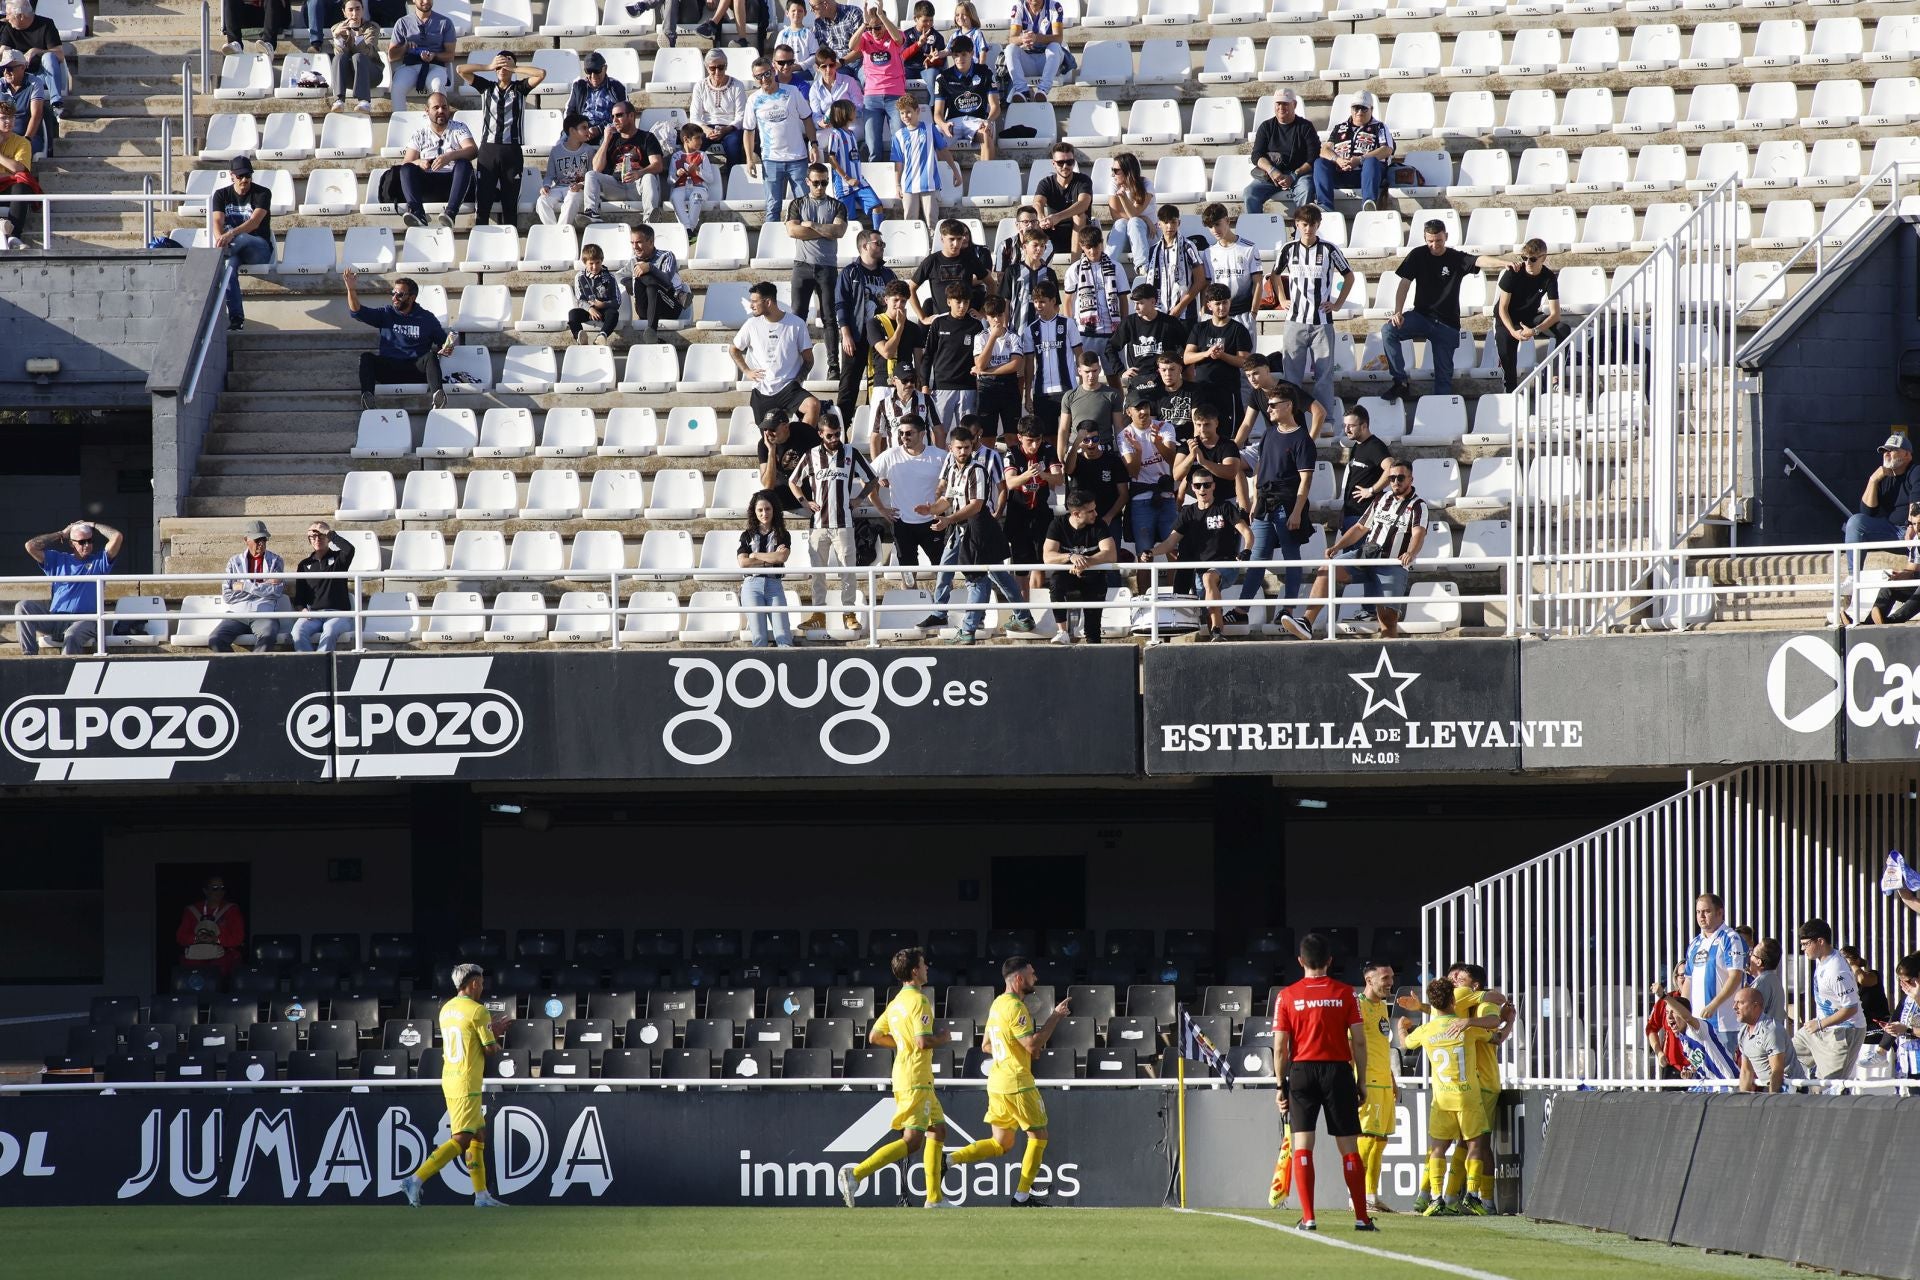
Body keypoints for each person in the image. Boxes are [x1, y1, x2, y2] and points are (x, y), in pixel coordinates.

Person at [945, 955, 1073, 1202]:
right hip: (1017, 1083)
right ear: (1019, 978)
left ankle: (949, 1160)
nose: (1035, 977)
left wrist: (1014, 1049)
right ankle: (1022, 1197)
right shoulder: (1015, 1007)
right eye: (1032, 973)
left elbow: (985, 1046)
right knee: (1039, 1136)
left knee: (1000, 1143)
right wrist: (1055, 1016)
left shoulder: (997, 1005)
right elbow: (1032, 1043)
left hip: (997, 1083)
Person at [1272, 932, 1375, 1233]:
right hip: (1337, 1071)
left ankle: (1309, 1217)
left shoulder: (1286, 996)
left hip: (1302, 1072)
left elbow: (1280, 1047)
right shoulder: (1346, 994)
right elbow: (1359, 1042)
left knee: (1302, 1146)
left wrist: (1281, 1086)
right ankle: (1361, 1217)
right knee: (1349, 1147)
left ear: (1300, 961)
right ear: (1330, 961)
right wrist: (1362, 1082)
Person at [840, 947, 955, 1208]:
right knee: (912, 1141)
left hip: (908, 1075)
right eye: (924, 964)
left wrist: (902, 1045)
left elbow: (874, 1037)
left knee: (938, 1130)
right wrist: (943, 1038)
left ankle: (934, 1199)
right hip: (916, 1078)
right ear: (915, 970)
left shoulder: (895, 1003)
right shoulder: (919, 1001)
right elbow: (923, 1042)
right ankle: (855, 1174)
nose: (927, 968)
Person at [1282, 462, 1426, 640]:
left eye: (1401, 478)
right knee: (1327, 569)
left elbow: (1419, 533)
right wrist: (1337, 547)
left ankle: (1390, 659)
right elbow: (1360, 527)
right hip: (1367, 556)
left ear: (1411, 479)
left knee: (1387, 622)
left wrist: (1411, 552)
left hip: (1392, 564)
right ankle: (1306, 622)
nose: (1396, 481)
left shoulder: (1419, 505)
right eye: (1392, 478)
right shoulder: (1381, 499)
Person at [404, 964, 508, 1208]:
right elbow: (490, 1049)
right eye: (481, 983)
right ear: (472, 984)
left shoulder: (446, 1009)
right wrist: (496, 1033)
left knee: (479, 1133)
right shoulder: (478, 1011)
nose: (483, 988)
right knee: (462, 1138)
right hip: (467, 1080)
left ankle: (481, 1196)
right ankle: (416, 1179)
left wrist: (490, 1032)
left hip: (449, 1076)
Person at [920, 426, 1035, 640]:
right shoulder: (953, 469)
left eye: (966, 447)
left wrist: (947, 519)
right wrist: (932, 509)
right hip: (960, 528)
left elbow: (976, 505)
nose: (963, 451)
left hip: (978, 528)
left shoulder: (977, 470)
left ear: (972, 446)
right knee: (989, 574)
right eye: (959, 448)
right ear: (950, 448)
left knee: (977, 579)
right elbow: (949, 498)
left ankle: (968, 629)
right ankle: (1023, 616)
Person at [1381, 221, 1513, 401]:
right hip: (1421, 316)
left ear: (1446, 237)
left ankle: (1441, 418)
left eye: (1439, 240)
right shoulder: (1418, 254)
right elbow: (1404, 283)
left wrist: (1502, 263)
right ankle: (1400, 382)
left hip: (1447, 325)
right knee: (1389, 330)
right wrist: (1398, 311)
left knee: (1443, 379)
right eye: (1430, 241)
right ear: (1425, 238)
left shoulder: (1455, 258)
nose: (1434, 245)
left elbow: (1478, 260)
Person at [1400, 980, 1497, 1218]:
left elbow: (1405, 1044)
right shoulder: (1466, 1027)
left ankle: (1436, 1198)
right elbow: (1494, 1032)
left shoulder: (1425, 1031)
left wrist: (1402, 1027)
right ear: (1454, 1001)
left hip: (1442, 1099)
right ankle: (1472, 1196)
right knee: (1475, 1146)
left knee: (1437, 1149)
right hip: (1468, 1098)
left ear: (1432, 1004)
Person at [788, 414, 878, 632]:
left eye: (837, 434)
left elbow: (872, 478)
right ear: (820, 434)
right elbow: (793, 481)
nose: (834, 438)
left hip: (844, 523)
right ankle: (819, 613)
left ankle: (849, 613)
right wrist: (805, 501)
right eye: (829, 435)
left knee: (848, 571)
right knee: (818, 572)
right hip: (818, 525)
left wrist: (859, 498)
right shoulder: (811, 455)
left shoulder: (850, 453)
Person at [1235, 387, 1315, 625]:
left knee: (1291, 558)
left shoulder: (1303, 439)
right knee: (1257, 559)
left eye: (1273, 404)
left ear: (1288, 405)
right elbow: (1260, 467)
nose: (1267, 409)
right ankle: (1240, 611)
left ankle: (1288, 610)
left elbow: (1306, 479)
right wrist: (1255, 499)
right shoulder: (1269, 433)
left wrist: (1297, 511)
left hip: (1287, 504)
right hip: (1264, 505)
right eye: (1267, 405)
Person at [1274, 204, 1354, 436]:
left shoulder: (1329, 249)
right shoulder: (1288, 249)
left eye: (1312, 224)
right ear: (1297, 225)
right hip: (1295, 321)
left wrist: (1337, 304)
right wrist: (1281, 297)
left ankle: (1326, 420)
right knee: (1292, 377)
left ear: (1318, 225)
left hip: (1322, 322)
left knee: (1324, 375)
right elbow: (1275, 274)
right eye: (1304, 224)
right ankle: (1294, 420)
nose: (1308, 228)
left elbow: (1349, 276)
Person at [1150, 465, 1248, 640]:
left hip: (1226, 565)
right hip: (1200, 570)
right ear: (1192, 488)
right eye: (1198, 486)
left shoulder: (1225, 507)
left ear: (1214, 486)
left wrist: (1246, 550)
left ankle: (1218, 631)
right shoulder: (1188, 512)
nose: (1203, 489)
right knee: (1208, 605)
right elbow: (1170, 542)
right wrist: (1151, 552)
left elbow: (1248, 533)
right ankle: (1216, 637)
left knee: (1209, 578)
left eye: (1207, 485)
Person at [454, 52, 542, 229]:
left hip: (512, 152)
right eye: (500, 66)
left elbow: (541, 74)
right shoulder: (486, 86)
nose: (503, 69)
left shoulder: (520, 88)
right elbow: (460, 69)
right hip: (488, 151)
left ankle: (512, 247)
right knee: (483, 205)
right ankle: (480, 248)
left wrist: (515, 68)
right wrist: (487, 66)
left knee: (510, 206)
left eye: (507, 65)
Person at [345, 269, 448, 410]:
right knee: (366, 358)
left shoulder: (427, 318)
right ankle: (368, 399)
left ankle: (438, 398)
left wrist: (449, 345)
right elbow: (357, 311)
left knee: (431, 356)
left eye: (400, 294)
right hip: (390, 370)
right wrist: (351, 289)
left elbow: (444, 343)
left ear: (412, 298)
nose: (394, 297)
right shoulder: (386, 313)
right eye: (393, 293)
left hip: (416, 370)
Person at [15, 519, 120, 656]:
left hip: (85, 620)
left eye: (90, 541)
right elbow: (30, 546)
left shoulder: (99, 562)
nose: (87, 545)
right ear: (71, 543)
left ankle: (65, 668)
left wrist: (92, 525)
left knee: (71, 635)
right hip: (56, 618)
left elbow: (117, 537)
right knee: (23, 607)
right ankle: (29, 657)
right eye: (82, 542)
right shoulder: (57, 560)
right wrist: (61, 533)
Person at [787, 162, 848, 377]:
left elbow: (839, 230)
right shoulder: (797, 203)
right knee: (798, 316)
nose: (820, 187)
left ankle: (833, 365)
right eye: (816, 183)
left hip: (827, 267)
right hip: (802, 266)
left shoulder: (837, 205)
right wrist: (825, 231)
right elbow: (793, 231)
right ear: (807, 182)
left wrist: (811, 225)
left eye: (824, 183)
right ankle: (796, 363)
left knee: (830, 317)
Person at [732, 281, 820, 427]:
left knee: (813, 405)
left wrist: (797, 381)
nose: (751, 305)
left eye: (754, 301)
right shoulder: (751, 324)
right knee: (769, 438)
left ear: (768, 302)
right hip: (762, 389)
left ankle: (798, 448)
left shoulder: (796, 324)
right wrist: (747, 371)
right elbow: (733, 349)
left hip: (789, 388)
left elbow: (809, 360)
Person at [744, 56, 816, 226]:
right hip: (771, 159)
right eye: (758, 76)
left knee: (804, 206)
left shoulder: (791, 91)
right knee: (773, 207)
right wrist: (749, 159)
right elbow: (748, 131)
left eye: (767, 73)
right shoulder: (753, 100)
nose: (764, 79)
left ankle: (807, 244)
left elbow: (807, 118)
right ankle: (771, 248)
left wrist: (813, 144)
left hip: (797, 158)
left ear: (773, 71)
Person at [1042, 487, 1119, 644]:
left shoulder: (1099, 524)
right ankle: (1062, 631)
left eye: (1094, 509)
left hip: (1093, 576)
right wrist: (1071, 556)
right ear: (1076, 514)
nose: (1095, 514)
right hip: (1067, 574)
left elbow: (1111, 554)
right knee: (1056, 583)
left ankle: (1094, 655)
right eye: (1090, 511)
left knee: (1093, 631)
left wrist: (1084, 562)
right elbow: (1047, 556)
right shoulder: (1058, 524)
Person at [1492, 239, 1571, 392]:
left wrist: (1535, 330)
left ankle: (1554, 376)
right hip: (1506, 318)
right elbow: (1503, 308)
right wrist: (1513, 331)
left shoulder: (1549, 277)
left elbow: (1555, 315)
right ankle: (1511, 390)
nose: (1528, 262)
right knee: (1506, 344)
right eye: (1524, 258)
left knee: (1563, 329)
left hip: (1529, 317)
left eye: (1533, 259)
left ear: (1543, 258)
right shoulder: (1513, 273)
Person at [872, 414, 945, 578]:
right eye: (901, 433)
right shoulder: (890, 455)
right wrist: (881, 509)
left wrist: (942, 506)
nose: (904, 437)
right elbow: (867, 479)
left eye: (909, 433)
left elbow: (955, 483)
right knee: (908, 574)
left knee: (943, 571)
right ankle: (912, 600)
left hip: (933, 522)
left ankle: (943, 603)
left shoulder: (940, 456)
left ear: (922, 434)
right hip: (901, 523)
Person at [1794, 918, 1866, 1081]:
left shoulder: (1837, 970)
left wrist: (1819, 1024)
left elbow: (1851, 1008)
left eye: (1806, 944)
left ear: (1820, 941)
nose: (1802, 949)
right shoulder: (1822, 961)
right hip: (1821, 1028)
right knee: (1783, 1054)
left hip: (1844, 1032)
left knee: (1828, 1088)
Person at [836, 229, 896, 424]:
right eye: (878, 243)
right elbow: (841, 304)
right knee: (848, 387)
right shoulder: (850, 272)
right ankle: (841, 431)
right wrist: (846, 334)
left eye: (882, 244)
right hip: (857, 336)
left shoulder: (888, 274)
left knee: (880, 387)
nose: (882, 247)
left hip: (882, 339)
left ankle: (878, 430)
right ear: (864, 246)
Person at [1354, 961, 1400, 1215]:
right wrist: (1354, 1080)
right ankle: (1356, 1196)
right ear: (1369, 980)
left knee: (1380, 1141)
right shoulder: (1357, 1006)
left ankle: (1371, 1195)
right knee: (1367, 1139)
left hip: (1384, 1081)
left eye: (1391, 977)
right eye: (1385, 978)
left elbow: (1381, 1045)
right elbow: (1351, 1046)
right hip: (1367, 1081)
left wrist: (1393, 1079)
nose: (1390, 982)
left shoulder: (1382, 1005)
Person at [211, 155, 272, 333]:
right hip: (233, 250)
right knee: (229, 269)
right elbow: (216, 222)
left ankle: (213, 261)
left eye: (248, 176)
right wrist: (220, 239)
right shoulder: (221, 194)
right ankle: (236, 319)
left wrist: (230, 234)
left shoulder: (263, 193)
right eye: (240, 176)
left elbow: (254, 222)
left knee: (243, 237)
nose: (244, 180)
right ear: (231, 176)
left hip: (258, 249)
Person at [397, 92, 476, 229]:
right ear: (427, 111)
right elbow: (406, 162)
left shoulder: (459, 128)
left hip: (453, 183)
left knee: (464, 164)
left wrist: (450, 156)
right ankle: (417, 213)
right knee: (407, 169)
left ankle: (450, 213)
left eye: (445, 107)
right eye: (436, 107)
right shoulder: (420, 134)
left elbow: (473, 150)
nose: (441, 111)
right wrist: (419, 162)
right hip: (429, 184)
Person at [208, 519, 289, 653]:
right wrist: (264, 584)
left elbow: (277, 591)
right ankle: (238, 669)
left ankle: (253, 670)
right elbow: (227, 595)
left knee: (268, 636)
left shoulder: (275, 561)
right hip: (237, 614)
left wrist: (245, 586)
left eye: (264, 539)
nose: (261, 543)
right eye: (257, 540)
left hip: (264, 613)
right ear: (246, 540)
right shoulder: (234, 562)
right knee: (215, 639)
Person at [1002, 415, 1061, 591]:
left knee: (1040, 561)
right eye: (1030, 441)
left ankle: (1034, 606)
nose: (1035, 445)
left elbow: (1059, 478)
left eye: (1038, 440)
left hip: (1040, 511)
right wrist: (1029, 475)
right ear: (1020, 438)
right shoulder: (1012, 453)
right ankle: (1024, 612)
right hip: (1018, 512)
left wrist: (1043, 475)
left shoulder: (1048, 449)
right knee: (1021, 564)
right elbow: (1011, 483)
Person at [1846, 433, 1920, 574]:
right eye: (1885, 451)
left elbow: (1917, 502)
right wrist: (1873, 480)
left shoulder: (1916, 471)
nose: (1886, 454)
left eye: (1892, 450)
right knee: (1855, 522)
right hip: (1892, 531)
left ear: (1907, 455)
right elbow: (1867, 512)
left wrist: (1912, 526)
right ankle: (1853, 577)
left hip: (1914, 531)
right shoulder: (1883, 476)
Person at [1183, 283, 1253, 429]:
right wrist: (1207, 353)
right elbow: (1187, 358)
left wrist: (1223, 356)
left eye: (1225, 302)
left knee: (1230, 435)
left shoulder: (1238, 330)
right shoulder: (1200, 328)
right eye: (1218, 304)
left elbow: (1245, 361)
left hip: (1228, 391)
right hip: (1203, 390)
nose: (1222, 307)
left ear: (1230, 303)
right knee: (1203, 433)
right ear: (1209, 305)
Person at [1063, 223, 1128, 378]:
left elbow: (1123, 299)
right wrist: (1070, 326)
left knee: (1115, 376)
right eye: (1088, 247)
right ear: (1081, 246)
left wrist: (1124, 325)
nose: (1093, 251)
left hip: (1111, 332)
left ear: (1102, 243)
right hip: (1085, 332)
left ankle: (1118, 402)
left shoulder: (1116, 266)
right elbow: (1067, 300)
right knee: (1084, 376)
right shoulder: (1075, 268)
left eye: (1096, 245)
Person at [1120, 390, 1178, 557]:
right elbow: (1133, 472)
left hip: (1166, 495)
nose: (1144, 411)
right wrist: (1138, 451)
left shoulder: (1164, 426)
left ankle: (1174, 585)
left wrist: (1158, 444)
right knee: (1144, 554)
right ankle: (1144, 585)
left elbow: (1173, 461)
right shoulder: (1124, 435)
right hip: (1141, 499)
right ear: (1128, 412)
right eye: (1138, 408)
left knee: (1173, 550)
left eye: (1145, 406)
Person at [921, 281, 985, 432]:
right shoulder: (938, 323)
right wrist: (925, 385)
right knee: (939, 433)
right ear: (949, 301)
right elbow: (928, 355)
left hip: (968, 388)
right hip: (943, 388)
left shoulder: (976, 325)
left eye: (966, 302)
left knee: (968, 434)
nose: (962, 306)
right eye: (958, 302)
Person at [1313, 91, 1392, 212]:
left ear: (1371, 109)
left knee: (1371, 161)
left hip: (1366, 174)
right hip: (1341, 172)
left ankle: (1369, 203)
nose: (1359, 112)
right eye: (1356, 108)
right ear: (1351, 109)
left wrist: (1360, 160)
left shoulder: (1379, 127)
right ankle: (1325, 205)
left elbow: (1386, 149)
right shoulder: (1339, 127)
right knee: (1320, 163)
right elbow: (1325, 149)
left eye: (1364, 109)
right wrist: (1337, 159)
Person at [1020, 281, 1079, 441]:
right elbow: (1029, 364)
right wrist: (1028, 396)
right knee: (1047, 438)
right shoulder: (1030, 330)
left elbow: (1080, 355)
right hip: (1042, 392)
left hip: (1068, 389)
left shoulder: (1068, 324)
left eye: (1042, 301)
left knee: (1073, 435)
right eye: (1036, 301)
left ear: (1053, 301)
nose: (1038, 305)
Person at [1246, 89, 1318, 216]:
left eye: (1285, 104)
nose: (1281, 107)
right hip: (1271, 176)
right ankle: (1257, 229)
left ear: (1294, 105)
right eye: (1278, 103)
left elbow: (1313, 157)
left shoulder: (1306, 127)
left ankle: (1301, 230)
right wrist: (1272, 170)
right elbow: (1256, 156)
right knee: (1250, 193)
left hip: (1299, 174)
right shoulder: (1266, 127)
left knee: (1306, 190)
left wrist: (1294, 175)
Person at [1685, 892, 1749, 1037]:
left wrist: (1713, 1005)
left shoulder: (1731, 938)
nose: (1701, 916)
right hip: (1698, 1024)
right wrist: (1682, 1011)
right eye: (1698, 912)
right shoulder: (1695, 943)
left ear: (1720, 913)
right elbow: (1688, 980)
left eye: (1706, 911)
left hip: (1724, 1025)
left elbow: (1735, 976)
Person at [586, 101, 663, 220]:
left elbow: (658, 165)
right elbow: (597, 168)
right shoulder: (611, 139)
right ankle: (591, 213)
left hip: (637, 187)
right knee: (591, 174)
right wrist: (606, 140)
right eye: (613, 116)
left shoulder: (647, 137)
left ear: (631, 116)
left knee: (649, 177)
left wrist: (639, 173)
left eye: (619, 115)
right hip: (615, 186)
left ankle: (650, 217)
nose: (614, 120)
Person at [738, 493, 795, 647]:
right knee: (759, 638)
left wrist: (755, 555)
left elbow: (781, 558)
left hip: (774, 584)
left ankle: (787, 669)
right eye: (760, 510)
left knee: (784, 636)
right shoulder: (746, 535)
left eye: (768, 509)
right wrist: (770, 558)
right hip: (751, 585)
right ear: (754, 512)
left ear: (774, 510)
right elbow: (743, 563)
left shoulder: (783, 534)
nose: (764, 514)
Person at [1112, 282, 1187, 398]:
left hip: (1164, 381)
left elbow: (1187, 349)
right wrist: (1121, 371)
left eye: (1140, 303)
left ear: (1153, 302)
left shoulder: (1170, 323)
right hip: (1138, 381)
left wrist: (1177, 370)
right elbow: (1110, 348)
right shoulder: (1129, 323)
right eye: (1135, 303)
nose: (1136, 308)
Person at [291, 521, 358, 652]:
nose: (317, 539)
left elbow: (349, 549)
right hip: (313, 615)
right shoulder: (304, 565)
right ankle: (310, 666)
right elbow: (299, 597)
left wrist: (328, 532)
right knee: (297, 632)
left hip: (338, 614)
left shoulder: (339, 558)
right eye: (313, 537)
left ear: (327, 538)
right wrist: (302, 610)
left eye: (321, 536)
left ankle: (321, 666)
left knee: (329, 630)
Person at [892, 91, 956, 227]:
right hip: (908, 185)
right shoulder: (898, 136)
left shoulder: (929, 128)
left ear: (917, 111)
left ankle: (933, 247)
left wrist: (955, 172)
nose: (905, 116)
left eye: (908, 112)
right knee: (910, 222)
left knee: (932, 222)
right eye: (902, 113)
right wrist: (897, 185)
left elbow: (943, 151)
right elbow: (898, 163)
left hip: (929, 183)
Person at [911, 219, 994, 321]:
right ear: (942, 238)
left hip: (966, 321)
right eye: (952, 239)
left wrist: (982, 311)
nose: (956, 244)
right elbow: (911, 288)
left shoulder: (970, 259)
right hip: (941, 323)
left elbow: (991, 284)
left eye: (959, 239)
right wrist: (923, 317)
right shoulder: (931, 261)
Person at [853, 3, 906, 161]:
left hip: (895, 96)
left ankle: (899, 179)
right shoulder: (865, 37)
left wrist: (882, 15)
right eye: (871, 28)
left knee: (899, 142)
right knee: (873, 146)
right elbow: (852, 46)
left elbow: (898, 39)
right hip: (872, 97)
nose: (874, 32)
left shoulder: (895, 35)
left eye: (878, 28)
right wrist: (864, 25)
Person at [932, 36, 997, 162]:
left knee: (986, 133)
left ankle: (986, 177)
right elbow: (937, 114)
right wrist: (943, 124)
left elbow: (995, 106)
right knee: (933, 137)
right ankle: (946, 177)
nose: (959, 59)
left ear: (972, 53)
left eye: (963, 54)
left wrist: (989, 120)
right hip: (953, 123)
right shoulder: (943, 77)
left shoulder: (985, 72)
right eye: (956, 55)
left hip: (977, 121)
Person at [385, 0, 457, 113]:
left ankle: (440, 122)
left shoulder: (445, 22)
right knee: (397, 87)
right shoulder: (402, 22)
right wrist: (405, 47)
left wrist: (434, 55)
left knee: (437, 85)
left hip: (435, 66)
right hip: (410, 66)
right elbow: (391, 56)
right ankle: (400, 125)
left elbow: (450, 55)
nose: (426, 1)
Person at [820, 99, 880, 230]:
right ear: (844, 113)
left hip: (859, 181)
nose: (855, 112)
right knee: (849, 220)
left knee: (877, 206)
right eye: (852, 110)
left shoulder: (852, 134)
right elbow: (831, 158)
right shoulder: (835, 135)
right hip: (844, 184)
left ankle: (878, 234)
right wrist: (847, 178)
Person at [628, 221, 692, 341]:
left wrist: (650, 267)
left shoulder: (667, 256)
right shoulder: (632, 260)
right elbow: (617, 277)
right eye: (632, 243)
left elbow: (667, 279)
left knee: (652, 286)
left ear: (651, 242)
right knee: (640, 276)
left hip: (669, 306)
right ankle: (679, 295)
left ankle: (651, 331)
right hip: (644, 309)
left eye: (639, 242)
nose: (634, 246)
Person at [1144, 204, 1207, 325]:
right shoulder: (1153, 250)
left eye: (1173, 222)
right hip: (1160, 314)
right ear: (1159, 224)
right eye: (1166, 222)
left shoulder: (1187, 247)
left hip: (1185, 315)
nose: (1170, 226)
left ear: (1179, 223)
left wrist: (1180, 307)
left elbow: (1200, 281)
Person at [1203, 205, 1261, 337]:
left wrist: (1253, 313)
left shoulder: (1249, 248)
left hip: (1243, 314)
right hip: (1218, 315)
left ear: (1227, 221)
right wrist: (1203, 312)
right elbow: (1206, 286)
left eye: (1217, 224)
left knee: (1246, 357)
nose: (1214, 230)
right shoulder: (1209, 253)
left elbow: (1258, 283)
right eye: (1210, 226)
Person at [1063, 419, 1128, 535]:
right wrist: (1076, 442)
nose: (1091, 443)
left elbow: (1124, 495)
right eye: (1086, 440)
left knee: (1112, 553)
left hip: (1109, 520)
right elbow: (1068, 469)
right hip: (1082, 520)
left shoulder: (1113, 461)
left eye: (1095, 439)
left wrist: (1109, 517)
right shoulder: (1075, 459)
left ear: (1100, 439)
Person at [175, 875, 247, 979]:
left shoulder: (232, 910)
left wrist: (216, 939)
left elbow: (238, 938)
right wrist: (197, 939)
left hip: (223, 962)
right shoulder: (191, 910)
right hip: (195, 961)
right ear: (205, 891)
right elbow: (180, 937)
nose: (219, 891)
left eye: (222, 888)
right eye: (214, 888)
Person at [2, 0, 69, 111]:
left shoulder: (46, 24)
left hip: (41, 76)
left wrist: (35, 51)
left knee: (49, 57)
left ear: (21, 16)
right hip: (16, 76)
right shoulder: (9, 27)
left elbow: (60, 55)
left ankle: (56, 104)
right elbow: (3, 51)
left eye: (9, 14)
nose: (7, 18)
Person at [973, 295, 1024, 441]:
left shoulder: (1013, 337)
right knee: (987, 436)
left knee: (1013, 436)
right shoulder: (981, 337)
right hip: (987, 388)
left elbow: (1015, 365)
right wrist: (993, 337)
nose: (996, 319)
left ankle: (1013, 463)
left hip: (1009, 387)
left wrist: (986, 371)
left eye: (999, 315)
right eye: (992, 316)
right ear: (986, 316)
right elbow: (980, 364)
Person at [1337, 402, 1393, 532]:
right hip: (1351, 513)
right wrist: (1344, 510)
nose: (1346, 430)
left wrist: (1372, 490)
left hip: (1364, 516)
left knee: (1357, 553)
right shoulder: (1357, 445)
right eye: (1345, 426)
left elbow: (1391, 468)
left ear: (1364, 426)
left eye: (1351, 426)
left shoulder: (1375, 446)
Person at [534, 112, 595, 228]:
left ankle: (560, 233)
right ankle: (554, 231)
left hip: (578, 190)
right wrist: (546, 186)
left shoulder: (589, 150)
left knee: (572, 198)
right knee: (542, 201)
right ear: (572, 131)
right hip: (558, 188)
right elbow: (549, 175)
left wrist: (581, 185)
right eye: (584, 128)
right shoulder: (556, 151)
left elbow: (592, 175)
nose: (588, 131)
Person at [691, 48, 749, 168]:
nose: (717, 72)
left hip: (730, 127)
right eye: (712, 68)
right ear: (707, 68)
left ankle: (734, 179)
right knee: (694, 142)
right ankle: (694, 178)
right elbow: (694, 117)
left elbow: (741, 116)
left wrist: (726, 130)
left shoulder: (737, 85)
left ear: (726, 66)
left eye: (721, 67)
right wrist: (706, 130)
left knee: (733, 143)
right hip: (707, 127)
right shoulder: (700, 86)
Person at [1005, 0, 1072, 103]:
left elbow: (1059, 38)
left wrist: (1037, 38)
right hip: (1028, 60)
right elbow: (1012, 39)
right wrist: (1022, 39)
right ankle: (1022, 91)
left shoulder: (1055, 6)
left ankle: (1043, 90)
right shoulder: (1018, 7)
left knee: (1055, 46)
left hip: (1049, 62)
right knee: (1010, 49)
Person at [1058, 348, 1121, 457]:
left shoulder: (1112, 395)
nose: (1091, 376)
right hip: (1077, 450)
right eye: (1087, 372)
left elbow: (1119, 428)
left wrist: (1123, 454)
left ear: (1100, 369)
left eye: (1094, 371)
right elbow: (1063, 429)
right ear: (1079, 371)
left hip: (1104, 449)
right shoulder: (1069, 396)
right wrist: (1061, 455)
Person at [1035, 144, 1092, 258]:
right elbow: (1038, 202)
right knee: (1031, 221)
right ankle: (1037, 268)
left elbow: (1083, 204)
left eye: (1069, 162)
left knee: (1079, 216)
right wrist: (1041, 217)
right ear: (1054, 164)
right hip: (1053, 231)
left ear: (1074, 162)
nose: (1065, 166)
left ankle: (1074, 265)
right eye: (1060, 162)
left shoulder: (1083, 180)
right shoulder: (1045, 183)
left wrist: (1057, 217)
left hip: (1081, 232)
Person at [1734, 986, 1794, 1094]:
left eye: (1740, 1003)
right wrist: (1742, 1101)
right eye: (1735, 1002)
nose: (1735, 1007)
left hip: (1789, 1091)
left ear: (1755, 1006)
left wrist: (1771, 1102)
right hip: (1770, 1090)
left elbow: (1777, 1071)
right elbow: (1746, 1071)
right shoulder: (1743, 1033)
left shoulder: (1771, 1030)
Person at [758, 412, 820, 514]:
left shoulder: (804, 432)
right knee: (764, 499)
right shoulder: (764, 444)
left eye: (772, 429)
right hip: (785, 491)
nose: (768, 433)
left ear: (786, 427)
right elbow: (768, 485)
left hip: (809, 488)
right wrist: (771, 451)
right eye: (765, 429)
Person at [327, 0, 383, 113]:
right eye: (350, 10)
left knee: (358, 57)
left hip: (371, 74)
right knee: (338, 58)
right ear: (344, 12)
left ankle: (364, 102)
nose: (354, 13)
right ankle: (339, 100)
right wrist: (338, 37)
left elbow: (366, 52)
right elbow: (340, 56)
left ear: (363, 10)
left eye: (358, 9)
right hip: (349, 77)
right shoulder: (336, 28)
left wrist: (356, 35)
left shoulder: (372, 28)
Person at [1869, 503, 1920, 624]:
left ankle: (1891, 622)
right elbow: (1912, 569)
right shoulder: (1916, 541)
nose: (1917, 528)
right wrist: (1901, 575)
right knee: (1890, 586)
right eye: (1914, 524)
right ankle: (1869, 624)